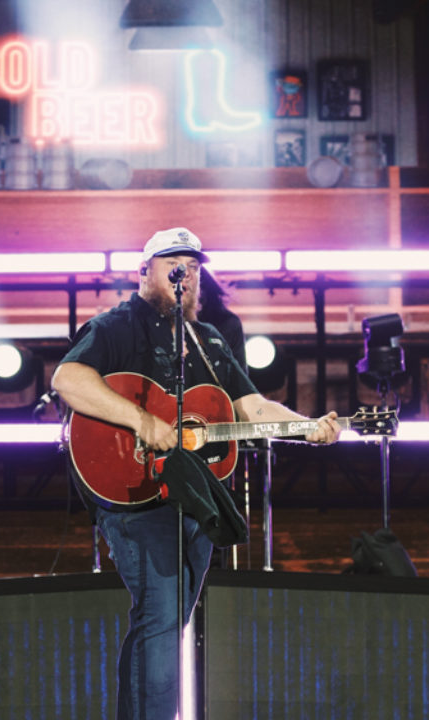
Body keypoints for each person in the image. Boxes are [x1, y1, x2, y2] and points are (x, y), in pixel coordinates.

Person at [52, 227, 341, 720]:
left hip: (198, 498)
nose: (183, 274)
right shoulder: (116, 327)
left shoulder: (209, 341)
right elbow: (68, 378)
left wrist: (305, 426)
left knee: (168, 620)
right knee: (162, 616)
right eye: (172, 264)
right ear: (144, 272)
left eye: (192, 267)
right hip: (134, 494)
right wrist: (142, 421)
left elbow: (251, 406)